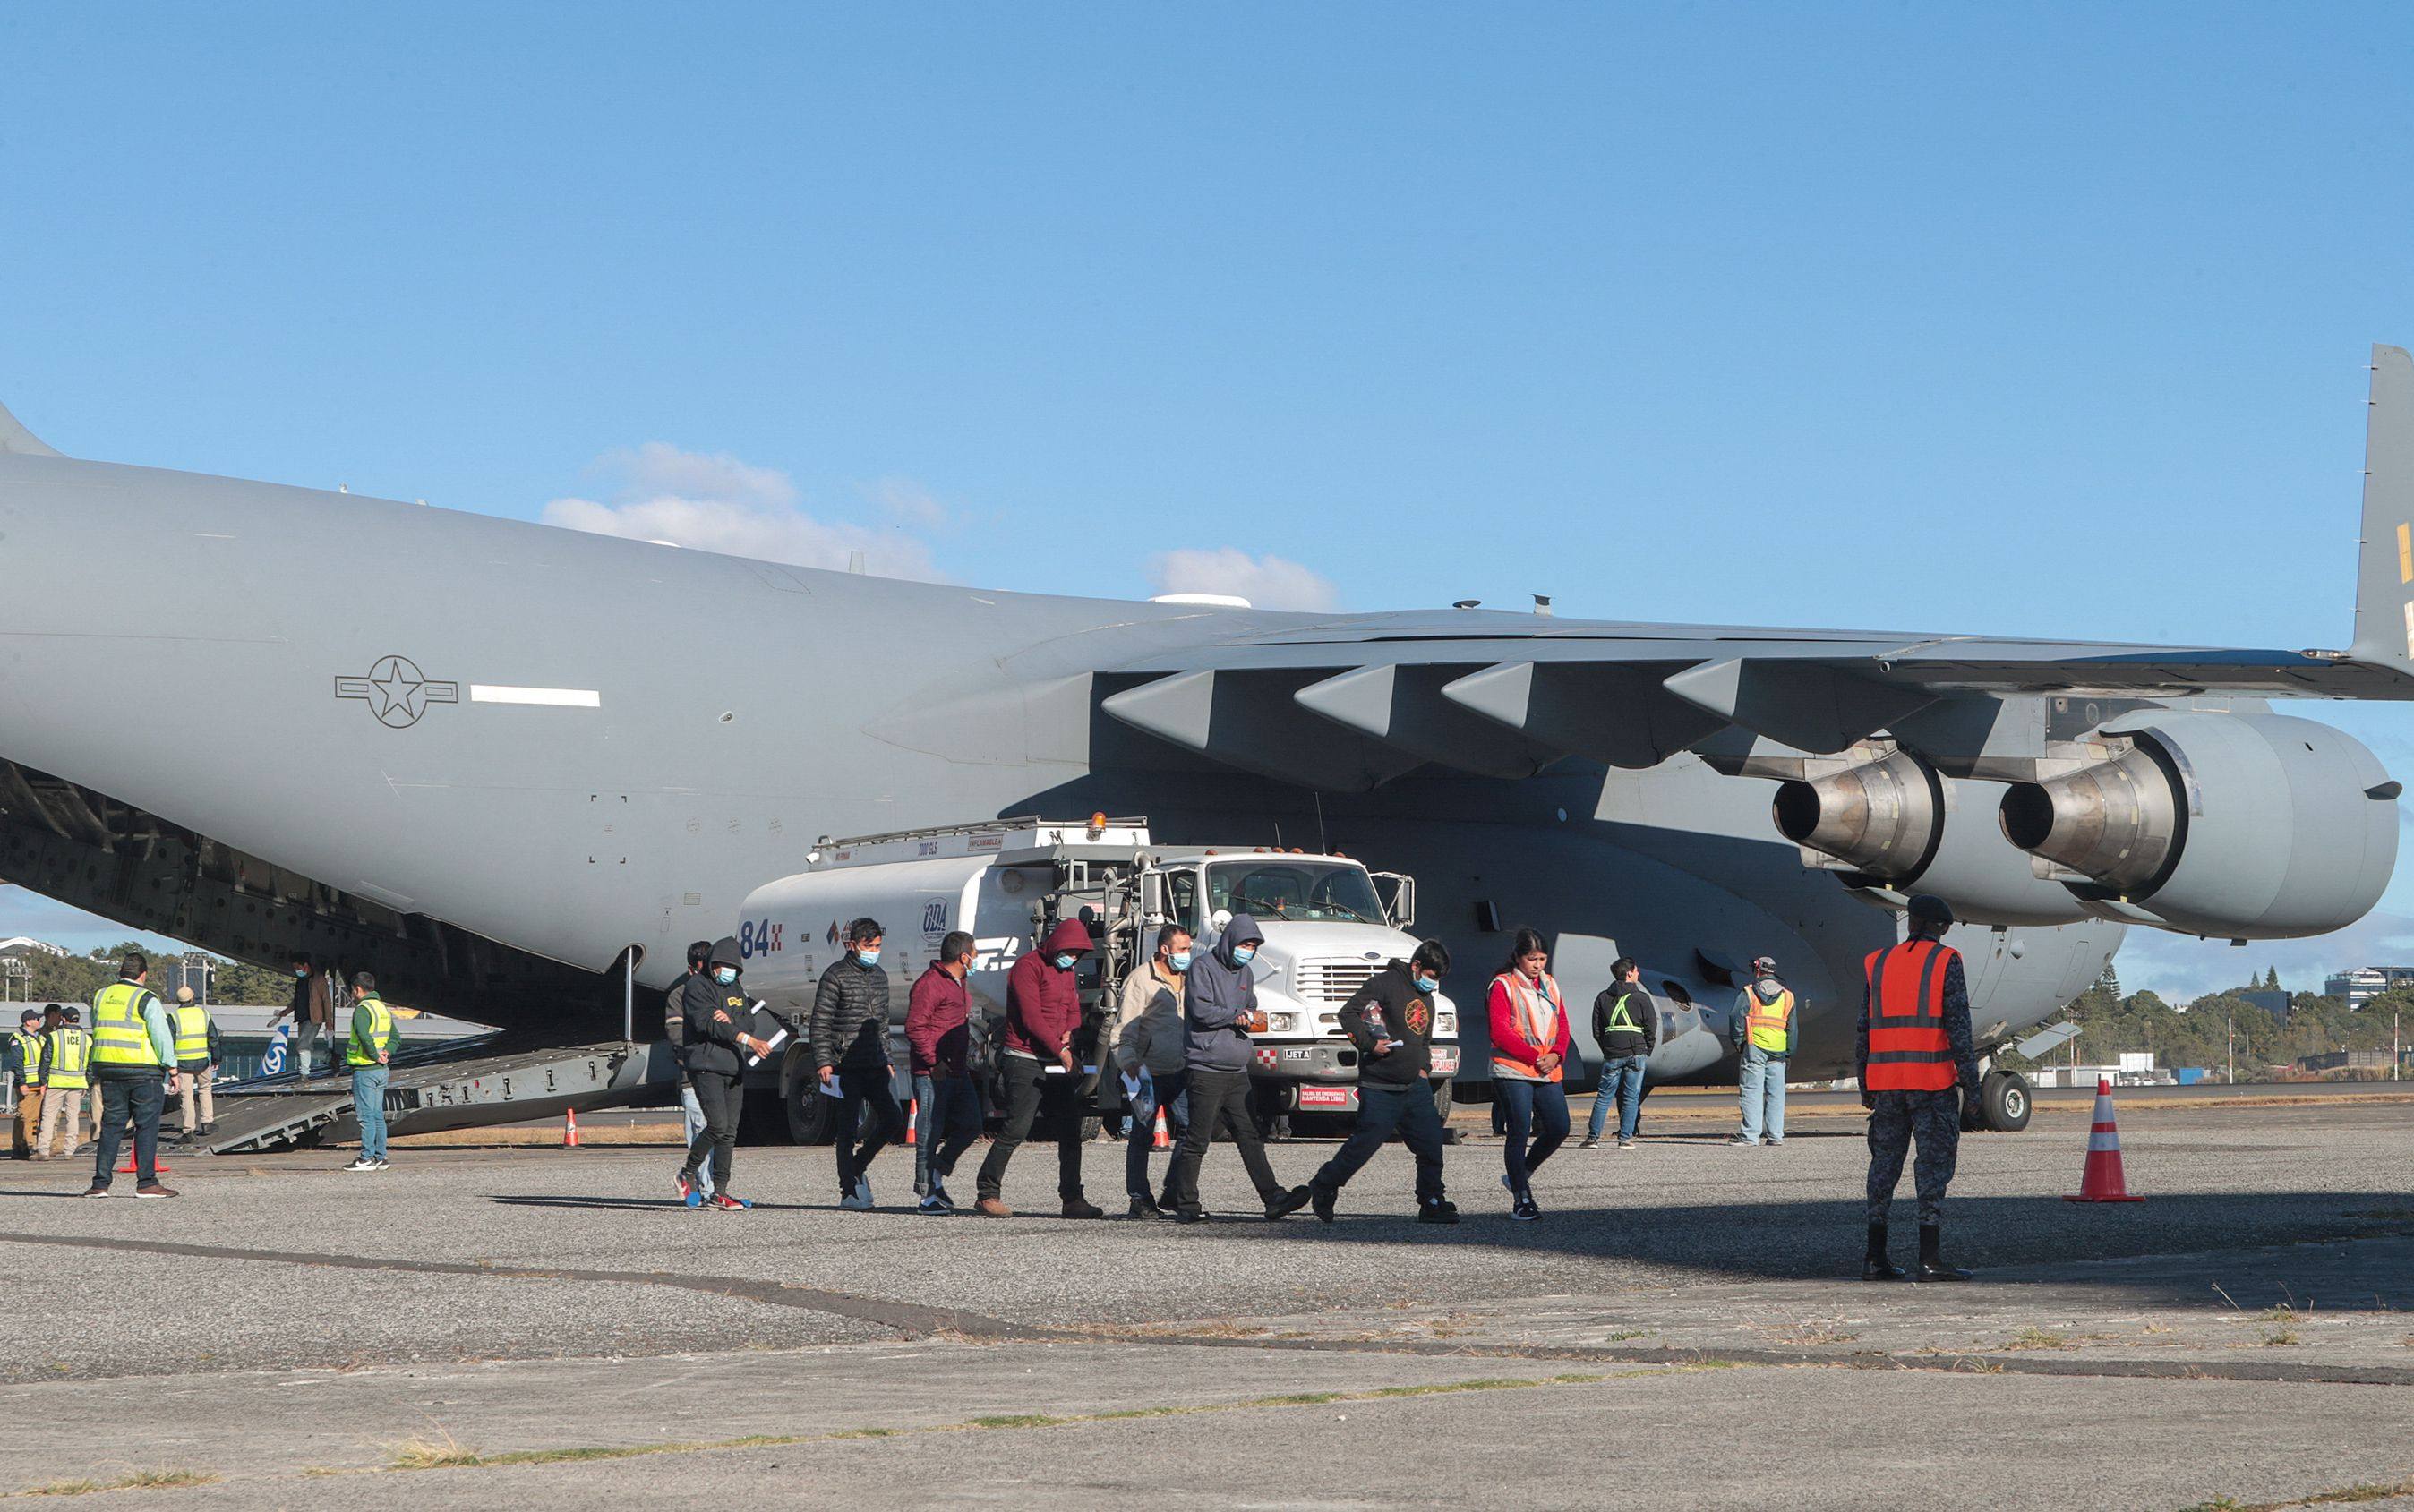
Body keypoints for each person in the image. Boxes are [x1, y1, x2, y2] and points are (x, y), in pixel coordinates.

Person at [1859, 894, 1982, 1283]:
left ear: (1910, 923)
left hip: (1886, 1085)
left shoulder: (1878, 963)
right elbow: (1958, 1027)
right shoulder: (1946, 961)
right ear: (1940, 927)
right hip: (1932, 1083)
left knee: (1883, 1168)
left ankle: (1874, 1259)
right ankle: (1929, 1260)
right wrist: (1972, 1087)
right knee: (1932, 1169)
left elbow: (1864, 1028)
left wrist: (1864, 1081)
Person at [1161, 915, 1311, 1225]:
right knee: (1198, 1138)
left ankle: (1273, 1198)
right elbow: (1201, 1010)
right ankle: (1186, 1202)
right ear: (1230, 941)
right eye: (1245, 944)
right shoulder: (1202, 967)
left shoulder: (1245, 972)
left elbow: (1250, 1003)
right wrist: (1236, 1016)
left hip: (1236, 1069)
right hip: (1206, 1067)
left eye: (1253, 946)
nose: (1248, 950)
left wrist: (1251, 1015)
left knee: (1250, 1135)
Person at [1306, 940, 1457, 1224]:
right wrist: (1369, 1044)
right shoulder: (1385, 983)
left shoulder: (1427, 997)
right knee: (1363, 1146)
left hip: (1415, 1086)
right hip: (1380, 1086)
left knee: (1431, 1144)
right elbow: (1348, 1013)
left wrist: (1423, 1068)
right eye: (1431, 977)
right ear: (1416, 967)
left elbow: (1424, 1037)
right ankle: (1325, 1184)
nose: (1432, 984)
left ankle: (1432, 1200)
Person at [974, 918, 1105, 1218]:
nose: (1072, 957)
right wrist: (1060, 1049)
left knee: (1070, 1130)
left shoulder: (1067, 970)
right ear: (1056, 943)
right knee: (1017, 1128)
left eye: (1077, 953)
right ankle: (987, 1193)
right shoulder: (1027, 967)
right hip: (1024, 1057)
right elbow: (1032, 1018)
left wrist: (1069, 1032)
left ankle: (1073, 1198)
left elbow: (1072, 1007)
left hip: (1055, 1062)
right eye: (1069, 950)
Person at [676, 936, 772, 1210]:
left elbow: (748, 1020)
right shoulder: (696, 987)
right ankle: (688, 1172)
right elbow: (708, 1025)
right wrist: (746, 1039)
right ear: (712, 964)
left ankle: (720, 1191)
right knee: (717, 1125)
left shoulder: (735, 986)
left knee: (729, 1132)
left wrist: (732, 1021)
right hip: (706, 1065)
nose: (728, 971)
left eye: (733, 967)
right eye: (723, 965)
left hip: (733, 1065)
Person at [814, 918, 903, 1211]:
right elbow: (821, 1020)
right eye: (868, 946)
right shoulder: (835, 975)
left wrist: (887, 1056)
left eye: (878, 946)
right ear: (852, 945)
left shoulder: (879, 976)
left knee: (892, 1118)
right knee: (848, 1128)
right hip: (844, 1065)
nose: (874, 951)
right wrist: (824, 1061)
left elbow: (883, 1022)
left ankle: (858, 1164)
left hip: (875, 1063)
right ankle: (848, 1190)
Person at [1488, 927, 1571, 1221]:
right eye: (1532, 959)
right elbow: (1500, 1031)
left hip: (1547, 1068)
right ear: (1519, 958)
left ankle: (1519, 1174)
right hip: (1513, 1069)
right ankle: (1521, 1199)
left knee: (1560, 1127)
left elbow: (1563, 1024)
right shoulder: (1503, 985)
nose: (1537, 965)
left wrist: (1557, 1054)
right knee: (1519, 1129)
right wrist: (1537, 1057)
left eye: (1542, 959)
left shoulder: (1550, 984)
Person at [1110, 923, 1192, 1217]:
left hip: (1181, 1069)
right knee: (1142, 1135)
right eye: (1183, 950)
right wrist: (1129, 1063)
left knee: (1191, 1131)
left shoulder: (1188, 978)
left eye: (1189, 949)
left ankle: (1174, 1191)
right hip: (1146, 1072)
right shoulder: (1140, 980)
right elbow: (1125, 1029)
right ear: (1165, 949)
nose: (1187, 955)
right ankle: (1139, 1198)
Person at [82, 952, 176, 1198]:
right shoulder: (147, 998)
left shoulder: (101, 995)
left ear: (121, 973)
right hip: (142, 1070)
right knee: (146, 1126)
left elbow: (96, 1025)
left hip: (108, 1068)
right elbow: (161, 1035)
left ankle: (100, 1184)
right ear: (143, 975)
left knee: (111, 1126)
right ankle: (147, 1182)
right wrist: (172, 1068)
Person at [904, 930, 983, 1214]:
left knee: (972, 1123)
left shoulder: (958, 982)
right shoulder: (930, 985)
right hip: (932, 1074)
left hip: (957, 1071)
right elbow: (916, 1026)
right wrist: (933, 1061)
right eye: (974, 954)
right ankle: (926, 1196)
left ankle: (937, 1172)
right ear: (963, 957)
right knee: (929, 1132)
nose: (976, 959)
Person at [1583, 958, 1655, 1149]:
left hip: (1612, 1053)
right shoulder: (1642, 998)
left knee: (1604, 1095)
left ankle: (1593, 1137)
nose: (1638, 974)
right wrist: (1647, 1048)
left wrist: (1607, 1048)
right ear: (1630, 973)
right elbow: (1650, 1026)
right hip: (1635, 1052)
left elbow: (1597, 1030)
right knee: (1632, 1097)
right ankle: (1625, 1138)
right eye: (1636, 971)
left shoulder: (1602, 997)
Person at [1728, 954, 1798, 1148]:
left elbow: (1736, 1017)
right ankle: (1775, 1136)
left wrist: (1737, 1041)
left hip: (1754, 1046)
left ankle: (1750, 1136)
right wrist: (1789, 1052)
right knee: (1776, 1093)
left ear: (1757, 970)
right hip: (1778, 1049)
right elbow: (1792, 1028)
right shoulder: (1788, 996)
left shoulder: (1749, 992)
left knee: (1752, 1090)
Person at [664, 940, 715, 1199]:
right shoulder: (678, 995)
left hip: (717, 1074)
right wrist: (706, 1045)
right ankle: (706, 1190)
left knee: (717, 1130)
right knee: (699, 1128)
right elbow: (675, 1032)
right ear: (691, 969)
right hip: (691, 1074)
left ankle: (701, 1182)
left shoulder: (719, 991)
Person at [342, 972, 398, 1172]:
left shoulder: (362, 1010)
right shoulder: (382, 1009)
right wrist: (386, 1053)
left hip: (365, 1069)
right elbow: (395, 1038)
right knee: (377, 1116)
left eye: (352, 991)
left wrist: (374, 1055)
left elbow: (364, 1037)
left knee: (365, 1116)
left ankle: (366, 1158)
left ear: (358, 989)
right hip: (382, 1070)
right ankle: (381, 1158)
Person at [36, 1007, 92, 1159]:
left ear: (63, 1019)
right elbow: (91, 1064)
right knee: (72, 1117)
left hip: (56, 1082)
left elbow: (45, 1060)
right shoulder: (87, 1038)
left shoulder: (54, 1036)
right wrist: (87, 1081)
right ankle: (69, 1151)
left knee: (49, 1116)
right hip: (78, 1082)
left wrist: (43, 1081)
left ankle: (43, 1150)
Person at [266, 953, 333, 1081]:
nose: (296, 971)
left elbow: (326, 1000)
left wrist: (329, 1021)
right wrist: (285, 1012)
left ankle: (304, 1074)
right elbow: (296, 1001)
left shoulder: (319, 980)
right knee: (306, 1048)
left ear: (305, 966)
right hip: (302, 1018)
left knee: (302, 1046)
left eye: (297, 967)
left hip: (313, 1019)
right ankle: (329, 1057)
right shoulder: (301, 981)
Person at [171, 987, 218, 1140]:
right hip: (202, 1061)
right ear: (193, 998)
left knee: (187, 1096)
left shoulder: (173, 1017)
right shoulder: (203, 1014)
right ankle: (207, 1122)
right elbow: (213, 1037)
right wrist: (216, 1057)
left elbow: (169, 1041)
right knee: (205, 1089)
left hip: (183, 1063)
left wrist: (169, 1064)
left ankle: (188, 1131)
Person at [9, 1008, 45, 1159]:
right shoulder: (18, 1039)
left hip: (39, 1084)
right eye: (37, 1019)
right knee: (26, 1117)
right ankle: (29, 1146)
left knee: (27, 1117)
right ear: (28, 1022)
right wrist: (21, 1082)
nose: (39, 1021)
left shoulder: (40, 1038)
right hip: (28, 1085)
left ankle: (19, 1146)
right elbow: (17, 1063)